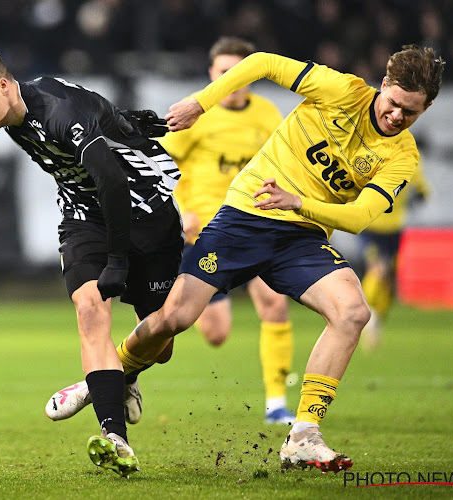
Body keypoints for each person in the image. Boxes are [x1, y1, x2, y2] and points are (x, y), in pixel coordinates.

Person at [51, 44, 443, 473]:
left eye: (411, 113)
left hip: (302, 234)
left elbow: (360, 216)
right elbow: (263, 62)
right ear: (383, 85)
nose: (397, 117)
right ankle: (112, 375)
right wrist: (201, 104)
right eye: (394, 104)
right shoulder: (342, 91)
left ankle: (303, 436)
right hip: (244, 217)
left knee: (352, 311)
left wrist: (296, 204)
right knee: (173, 320)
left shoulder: (402, 155)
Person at [0, 46, 184, 478]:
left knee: (164, 340)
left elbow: (112, 178)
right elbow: (92, 111)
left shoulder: (55, 111)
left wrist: (118, 260)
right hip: (85, 218)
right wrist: (125, 120)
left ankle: (117, 376)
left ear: (3, 85)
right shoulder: (14, 113)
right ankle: (116, 440)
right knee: (90, 309)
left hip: (146, 214)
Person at [162, 36, 296, 425]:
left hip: (257, 225)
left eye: (241, 73)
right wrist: (181, 210)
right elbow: (161, 167)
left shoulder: (268, 114)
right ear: (211, 74)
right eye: (225, 74)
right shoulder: (194, 114)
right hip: (208, 233)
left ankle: (276, 405)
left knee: (274, 305)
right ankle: (133, 360)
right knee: (215, 333)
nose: (234, 82)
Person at [359, 161, 431, 351]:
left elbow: (423, 191)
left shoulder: (409, 158)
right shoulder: (374, 155)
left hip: (393, 229)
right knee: (377, 269)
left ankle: (376, 320)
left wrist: (415, 196)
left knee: (388, 280)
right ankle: (363, 315)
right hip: (370, 225)